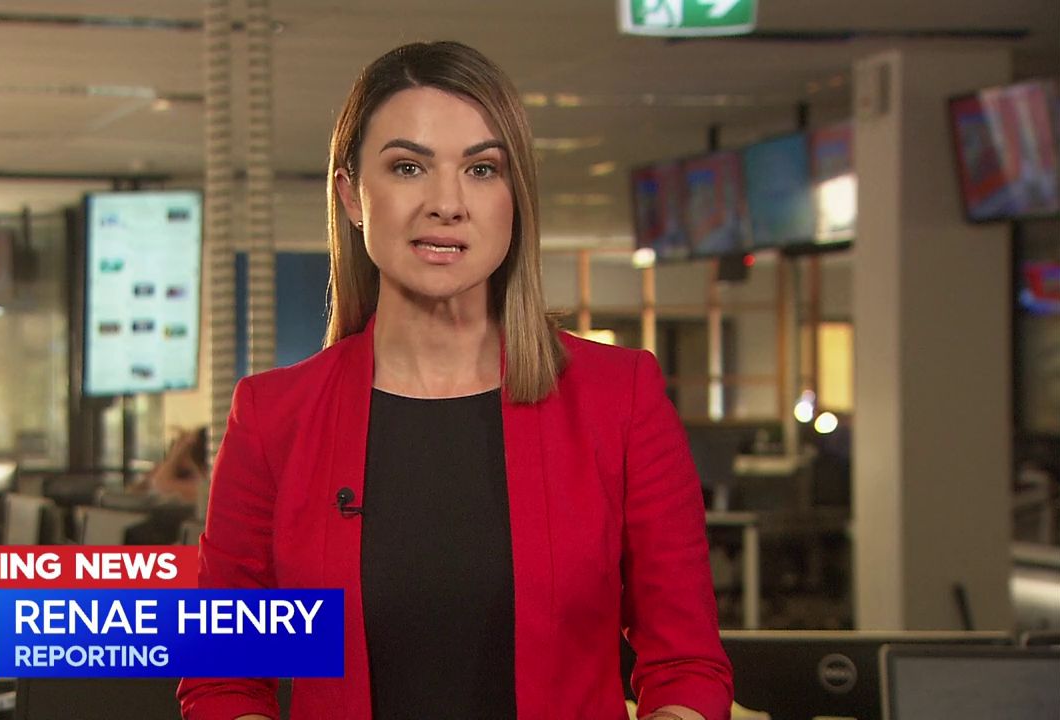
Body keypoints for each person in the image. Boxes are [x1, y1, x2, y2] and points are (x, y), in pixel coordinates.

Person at [178, 41, 732, 720]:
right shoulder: (272, 417)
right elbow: (225, 679)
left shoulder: (621, 399)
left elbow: (685, 666)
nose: (447, 203)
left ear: (515, 197)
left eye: (481, 169)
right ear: (352, 196)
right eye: (408, 167)